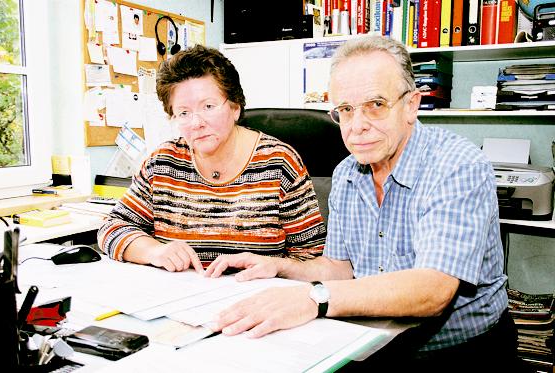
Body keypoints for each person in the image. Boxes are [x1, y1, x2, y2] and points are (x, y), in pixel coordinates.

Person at [205, 35, 520, 371]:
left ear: (411, 105)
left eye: (376, 105)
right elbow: (340, 268)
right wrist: (283, 267)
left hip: (460, 353)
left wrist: (314, 298)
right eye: (345, 110)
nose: (357, 126)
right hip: (374, 342)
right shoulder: (346, 174)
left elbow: (432, 289)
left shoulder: (457, 165)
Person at [97, 45, 326, 273]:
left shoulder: (279, 164)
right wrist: (153, 251)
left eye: (208, 106)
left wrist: (277, 266)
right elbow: (112, 228)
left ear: (235, 107)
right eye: (184, 113)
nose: (197, 122)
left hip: (255, 300)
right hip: (178, 301)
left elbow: (314, 259)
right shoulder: (163, 163)